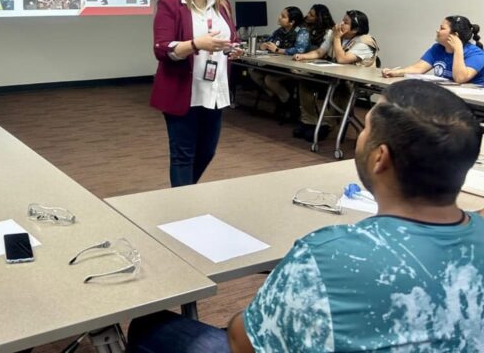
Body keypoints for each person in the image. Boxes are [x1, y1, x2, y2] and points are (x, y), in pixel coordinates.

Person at [128, 80, 484, 352]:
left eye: (367, 130)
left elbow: (245, 342)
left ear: (380, 158)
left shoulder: (329, 253)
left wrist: (242, 318)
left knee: (150, 326)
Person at [150, 0, 240, 187]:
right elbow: (162, 48)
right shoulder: (170, 5)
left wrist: (233, 49)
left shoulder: (223, 5)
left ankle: (183, 194)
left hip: (215, 93)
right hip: (183, 93)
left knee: (207, 152)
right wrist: (196, 44)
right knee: (183, 155)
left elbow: (232, 37)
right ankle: (183, 204)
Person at [292, 9, 379, 141]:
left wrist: (337, 38)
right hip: (334, 77)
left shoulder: (365, 41)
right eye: (342, 20)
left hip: (354, 83)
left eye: (346, 22)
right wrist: (302, 56)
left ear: (355, 29)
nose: (341, 24)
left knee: (340, 88)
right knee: (306, 82)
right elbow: (320, 52)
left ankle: (328, 124)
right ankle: (310, 121)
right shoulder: (334, 34)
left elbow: (342, 59)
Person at [383, 15, 484, 85]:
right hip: (449, 99)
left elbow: (460, 78)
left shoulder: (477, 54)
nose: (437, 31)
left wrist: (458, 49)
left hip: (474, 105)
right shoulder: (437, 48)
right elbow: (418, 68)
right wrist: (394, 72)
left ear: (454, 35)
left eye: (442, 28)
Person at [250, 6, 309, 120]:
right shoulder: (280, 31)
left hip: (292, 67)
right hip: (276, 64)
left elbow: (300, 50)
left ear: (292, 22)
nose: (279, 18)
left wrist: (278, 50)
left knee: (269, 79)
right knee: (253, 71)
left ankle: (288, 102)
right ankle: (278, 97)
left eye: (283, 16)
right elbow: (268, 42)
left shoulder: (302, 32)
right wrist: (263, 46)